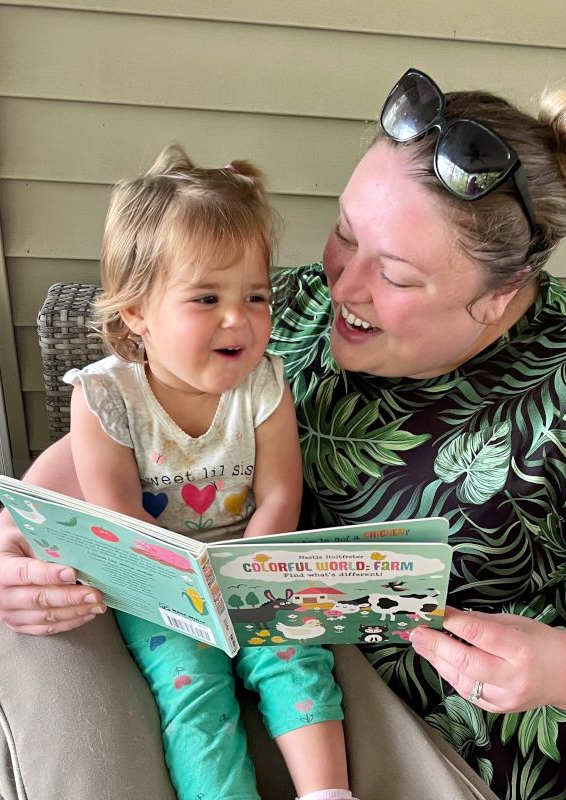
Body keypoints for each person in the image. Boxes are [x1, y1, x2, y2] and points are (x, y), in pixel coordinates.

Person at [0, 65, 566, 800]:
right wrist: (8, 546)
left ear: (497, 301)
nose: (342, 284)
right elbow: (133, 425)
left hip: (462, 737)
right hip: (261, 655)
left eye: (395, 276)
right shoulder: (291, 311)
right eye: (345, 232)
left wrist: (556, 667)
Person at [57, 144, 359, 800]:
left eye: (255, 295)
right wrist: (191, 591)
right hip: (157, 578)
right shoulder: (105, 397)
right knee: (193, 689)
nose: (238, 318)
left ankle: (328, 794)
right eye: (206, 297)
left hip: (253, 559)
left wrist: (250, 565)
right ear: (136, 312)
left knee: (298, 660)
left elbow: (281, 489)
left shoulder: (263, 385)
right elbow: (120, 520)